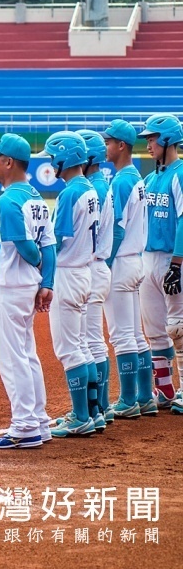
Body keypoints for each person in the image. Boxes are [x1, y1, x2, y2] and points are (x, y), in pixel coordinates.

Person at [0, 134, 56, 449]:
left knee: (13, 359)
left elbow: (27, 247)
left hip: (9, 288)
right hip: (28, 288)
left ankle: (24, 426)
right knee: (28, 355)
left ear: (9, 162)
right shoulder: (36, 197)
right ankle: (38, 420)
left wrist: (37, 267)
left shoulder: (8, 201)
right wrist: (46, 282)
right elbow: (49, 246)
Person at [37, 131, 102, 438]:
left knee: (69, 350)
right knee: (81, 346)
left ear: (65, 158)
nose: (51, 163)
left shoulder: (70, 193)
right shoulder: (89, 188)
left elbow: (57, 239)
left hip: (67, 273)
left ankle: (81, 416)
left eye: (53, 157)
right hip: (85, 271)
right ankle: (92, 412)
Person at [101, 119, 156, 418]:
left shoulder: (122, 180)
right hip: (136, 260)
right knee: (135, 335)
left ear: (121, 145)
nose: (105, 147)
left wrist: (105, 264)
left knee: (122, 336)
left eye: (108, 142)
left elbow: (117, 229)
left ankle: (127, 399)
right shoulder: (136, 176)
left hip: (121, 261)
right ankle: (145, 396)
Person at [137, 114, 183, 410]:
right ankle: (165, 390)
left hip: (171, 258)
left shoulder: (180, 173)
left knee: (179, 327)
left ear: (167, 140)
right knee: (154, 329)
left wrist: (177, 264)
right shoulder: (150, 178)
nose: (149, 144)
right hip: (148, 260)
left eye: (152, 138)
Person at [77, 129, 115, 424]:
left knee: (89, 341)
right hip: (100, 267)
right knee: (95, 341)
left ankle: (95, 411)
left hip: (90, 267)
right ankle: (100, 407)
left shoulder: (94, 189)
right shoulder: (101, 184)